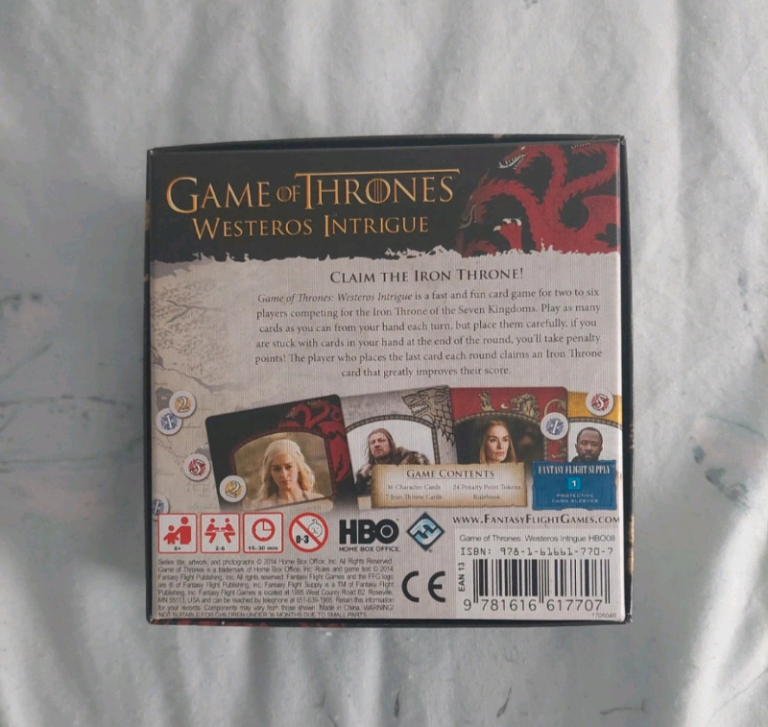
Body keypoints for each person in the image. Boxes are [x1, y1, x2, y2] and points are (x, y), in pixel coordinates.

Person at [355, 428, 430, 496]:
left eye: (381, 440)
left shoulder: (414, 463)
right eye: (372, 442)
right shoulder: (364, 478)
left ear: (390, 444)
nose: (376, 445)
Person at [256, 439, 323, 506]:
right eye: (277, 469)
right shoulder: (263, 507)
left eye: (288, 467)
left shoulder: (318, 501)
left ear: (298, 467)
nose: (284, 475)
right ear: (270, 472)